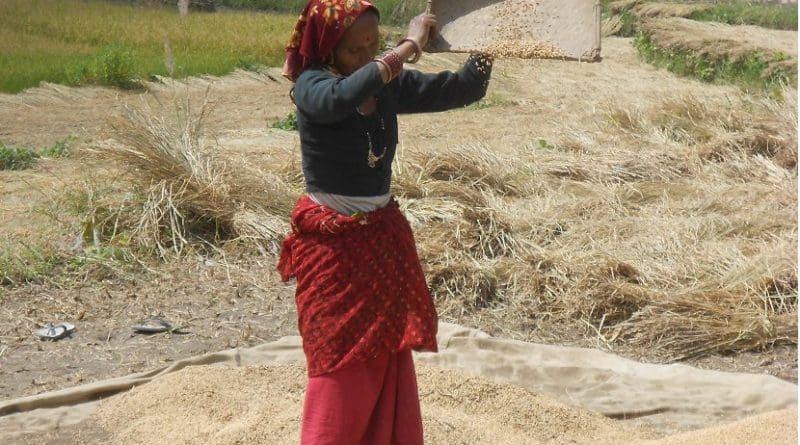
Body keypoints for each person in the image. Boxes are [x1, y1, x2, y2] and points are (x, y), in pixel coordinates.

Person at [277, 1, 493, 443]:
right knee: (336, 356)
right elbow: (340, 98)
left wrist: (489, 41)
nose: (365, 55)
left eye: (372, 45)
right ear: (328, 50)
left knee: (383, 349)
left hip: (378, 239)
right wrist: (406, 47)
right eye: (354, 49)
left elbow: (462, 89)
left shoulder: (386, 84)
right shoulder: (311, 86)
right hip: (332, 249)